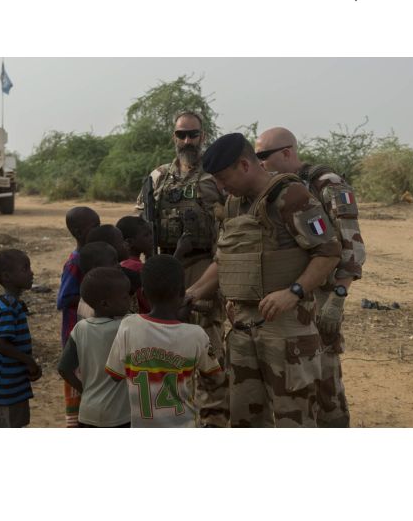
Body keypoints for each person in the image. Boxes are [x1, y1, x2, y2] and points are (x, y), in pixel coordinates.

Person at [187, 133, 342, 427]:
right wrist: (192, 293)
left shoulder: (290, 195)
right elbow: (224, 261)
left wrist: (293, 292)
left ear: (245, 165)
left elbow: (329, 251)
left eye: (222, 177)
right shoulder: (234, 204)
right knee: (246, 421)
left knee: (293, 420)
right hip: (243, 327)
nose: (220, 186)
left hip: (287, 329)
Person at [255, 126, 366, 428]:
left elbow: (351, 245)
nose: (259, 162)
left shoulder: (326, 183)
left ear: (287, 152)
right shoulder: (276, 188)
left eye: (263, 155)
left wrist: (338, 299)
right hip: (295, 295)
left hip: (323, 295)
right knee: (296, 381)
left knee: (326, 379)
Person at [135, 110, 228, 427]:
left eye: (193, 134)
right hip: (164, 269)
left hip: (205, 266)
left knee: (209, 343)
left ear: (204, 135)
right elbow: (142, 224)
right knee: (166, 346)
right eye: (181, 134)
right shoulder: (158, 177)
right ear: (173, 137)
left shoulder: (218, 176)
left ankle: (213, 418)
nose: (187, 140)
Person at [105, 254, 226, 428]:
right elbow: (213, 375)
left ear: (144, 294)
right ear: (183, 292)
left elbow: (115, 376)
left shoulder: (128, 326)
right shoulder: (196, 335)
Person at [57, 267, 132, 427]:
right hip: (119, 414)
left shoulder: (80, 328)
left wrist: (84, 389)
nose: (130, 300)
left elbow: (64, 368)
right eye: (125, 296)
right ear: (105, 303)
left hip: (87, 411)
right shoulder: (125, 326)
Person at [0, 249, 42, 428]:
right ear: (7, 277)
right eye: (25, 269)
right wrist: (30, 362)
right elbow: (2, 344)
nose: (31, 272)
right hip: (5, 390)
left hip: (13, 385)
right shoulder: (9, 306)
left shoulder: (12, 304)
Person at [57, 206, 100, 428]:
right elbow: (64, 299)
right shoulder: (75, 262)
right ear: (79, 231)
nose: (99, 230)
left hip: (88, 336)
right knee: (78, 384)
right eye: (95, 227)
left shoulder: (90, 258)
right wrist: (93, 302)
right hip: (76, 335)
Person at [116, 215, 153, 312]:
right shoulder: (136, 267)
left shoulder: (122, 263)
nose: (151, 238)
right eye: (146, 235)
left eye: (151, 234)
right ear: (129, 242)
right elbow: (151, 304)